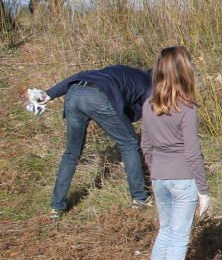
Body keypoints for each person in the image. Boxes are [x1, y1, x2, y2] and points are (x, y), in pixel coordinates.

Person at [139, 46, 210, 260]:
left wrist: (156, 170)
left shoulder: (148, 105)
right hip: (183, 180)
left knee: (165, 232)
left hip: (159, 178)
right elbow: (193, 153)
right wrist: (203, 190)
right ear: (184, 71)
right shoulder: (188, 108)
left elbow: (145, 145)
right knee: (179, 239)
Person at [27, 65, 153, 218]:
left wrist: (50, 94)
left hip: (73, 93)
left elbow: (81, 74)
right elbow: (150, 118)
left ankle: (56, 207)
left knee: (71, 153)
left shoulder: (122, 71)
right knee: (129, 144)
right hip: (98, 96)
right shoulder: (150, 84)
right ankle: (140, 198)